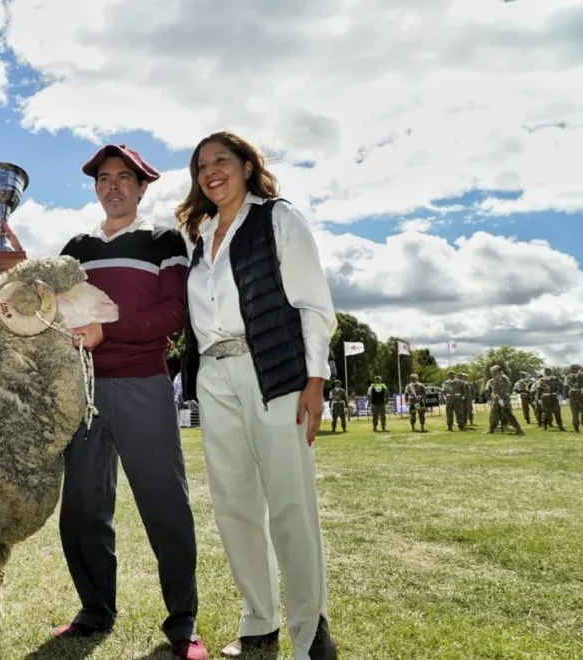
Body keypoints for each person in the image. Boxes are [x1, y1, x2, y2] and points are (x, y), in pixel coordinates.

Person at [0, 144, 207, 659]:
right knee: (83, 509)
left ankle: (182, 622)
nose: (113, 186)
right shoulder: (77, 248)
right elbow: (40, 301)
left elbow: (176, 311)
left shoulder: (164, 240)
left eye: (124, 177)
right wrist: (8, 252)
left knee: (164, 505)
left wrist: (110, 330)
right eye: (104, 178)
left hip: (143, 382)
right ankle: (95, 609)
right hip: (81, 389)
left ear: (142, 187)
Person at [177, 131, 338, 660]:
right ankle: (259, 622)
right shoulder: (199, 235)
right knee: (234, 506)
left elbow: (313, 304)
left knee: (291, 503)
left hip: (273, 371)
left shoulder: (278, 218)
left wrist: (315, 380)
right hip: (213, 377)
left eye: (221, 160)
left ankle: (310, 630)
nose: (210, 171)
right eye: (201, 165)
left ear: (247, 166)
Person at [483, 365, 525, 436]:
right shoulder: (498, 377)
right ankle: (492, 429)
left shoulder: (502, 378)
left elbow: (504, 390)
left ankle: (519, 430)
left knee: (508, 414)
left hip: (502, 399)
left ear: (498, 371)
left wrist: (501, 399)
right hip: (497, 399)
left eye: (494, 372)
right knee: (494, 415)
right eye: (492, 372)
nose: (492, 373)